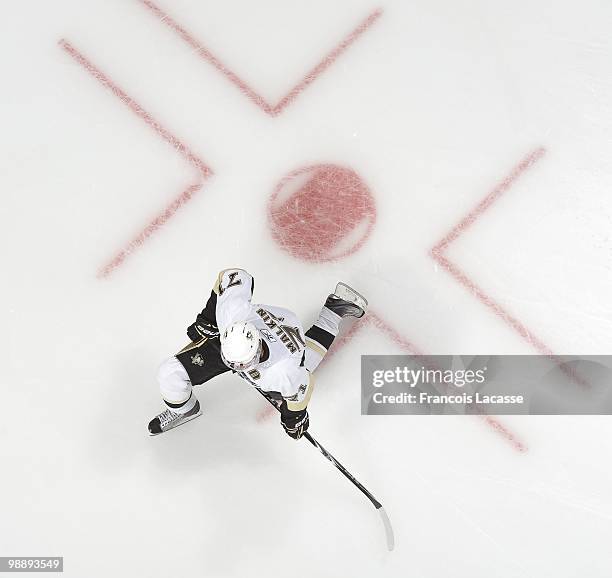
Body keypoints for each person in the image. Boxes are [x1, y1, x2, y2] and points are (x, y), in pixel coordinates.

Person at [148, 268, 367, 439]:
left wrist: (293, 417)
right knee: (169, 374)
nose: (237, 370)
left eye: (243, 367)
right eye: (233, 364)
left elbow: (305, 385)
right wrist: (209, 319)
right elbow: (233, 276)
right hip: (235, 337)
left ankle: (334, 311)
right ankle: (185, 410)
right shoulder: (233, 315)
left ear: (258, 353)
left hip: (288, 339)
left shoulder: (284, 369)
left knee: (302, 367)